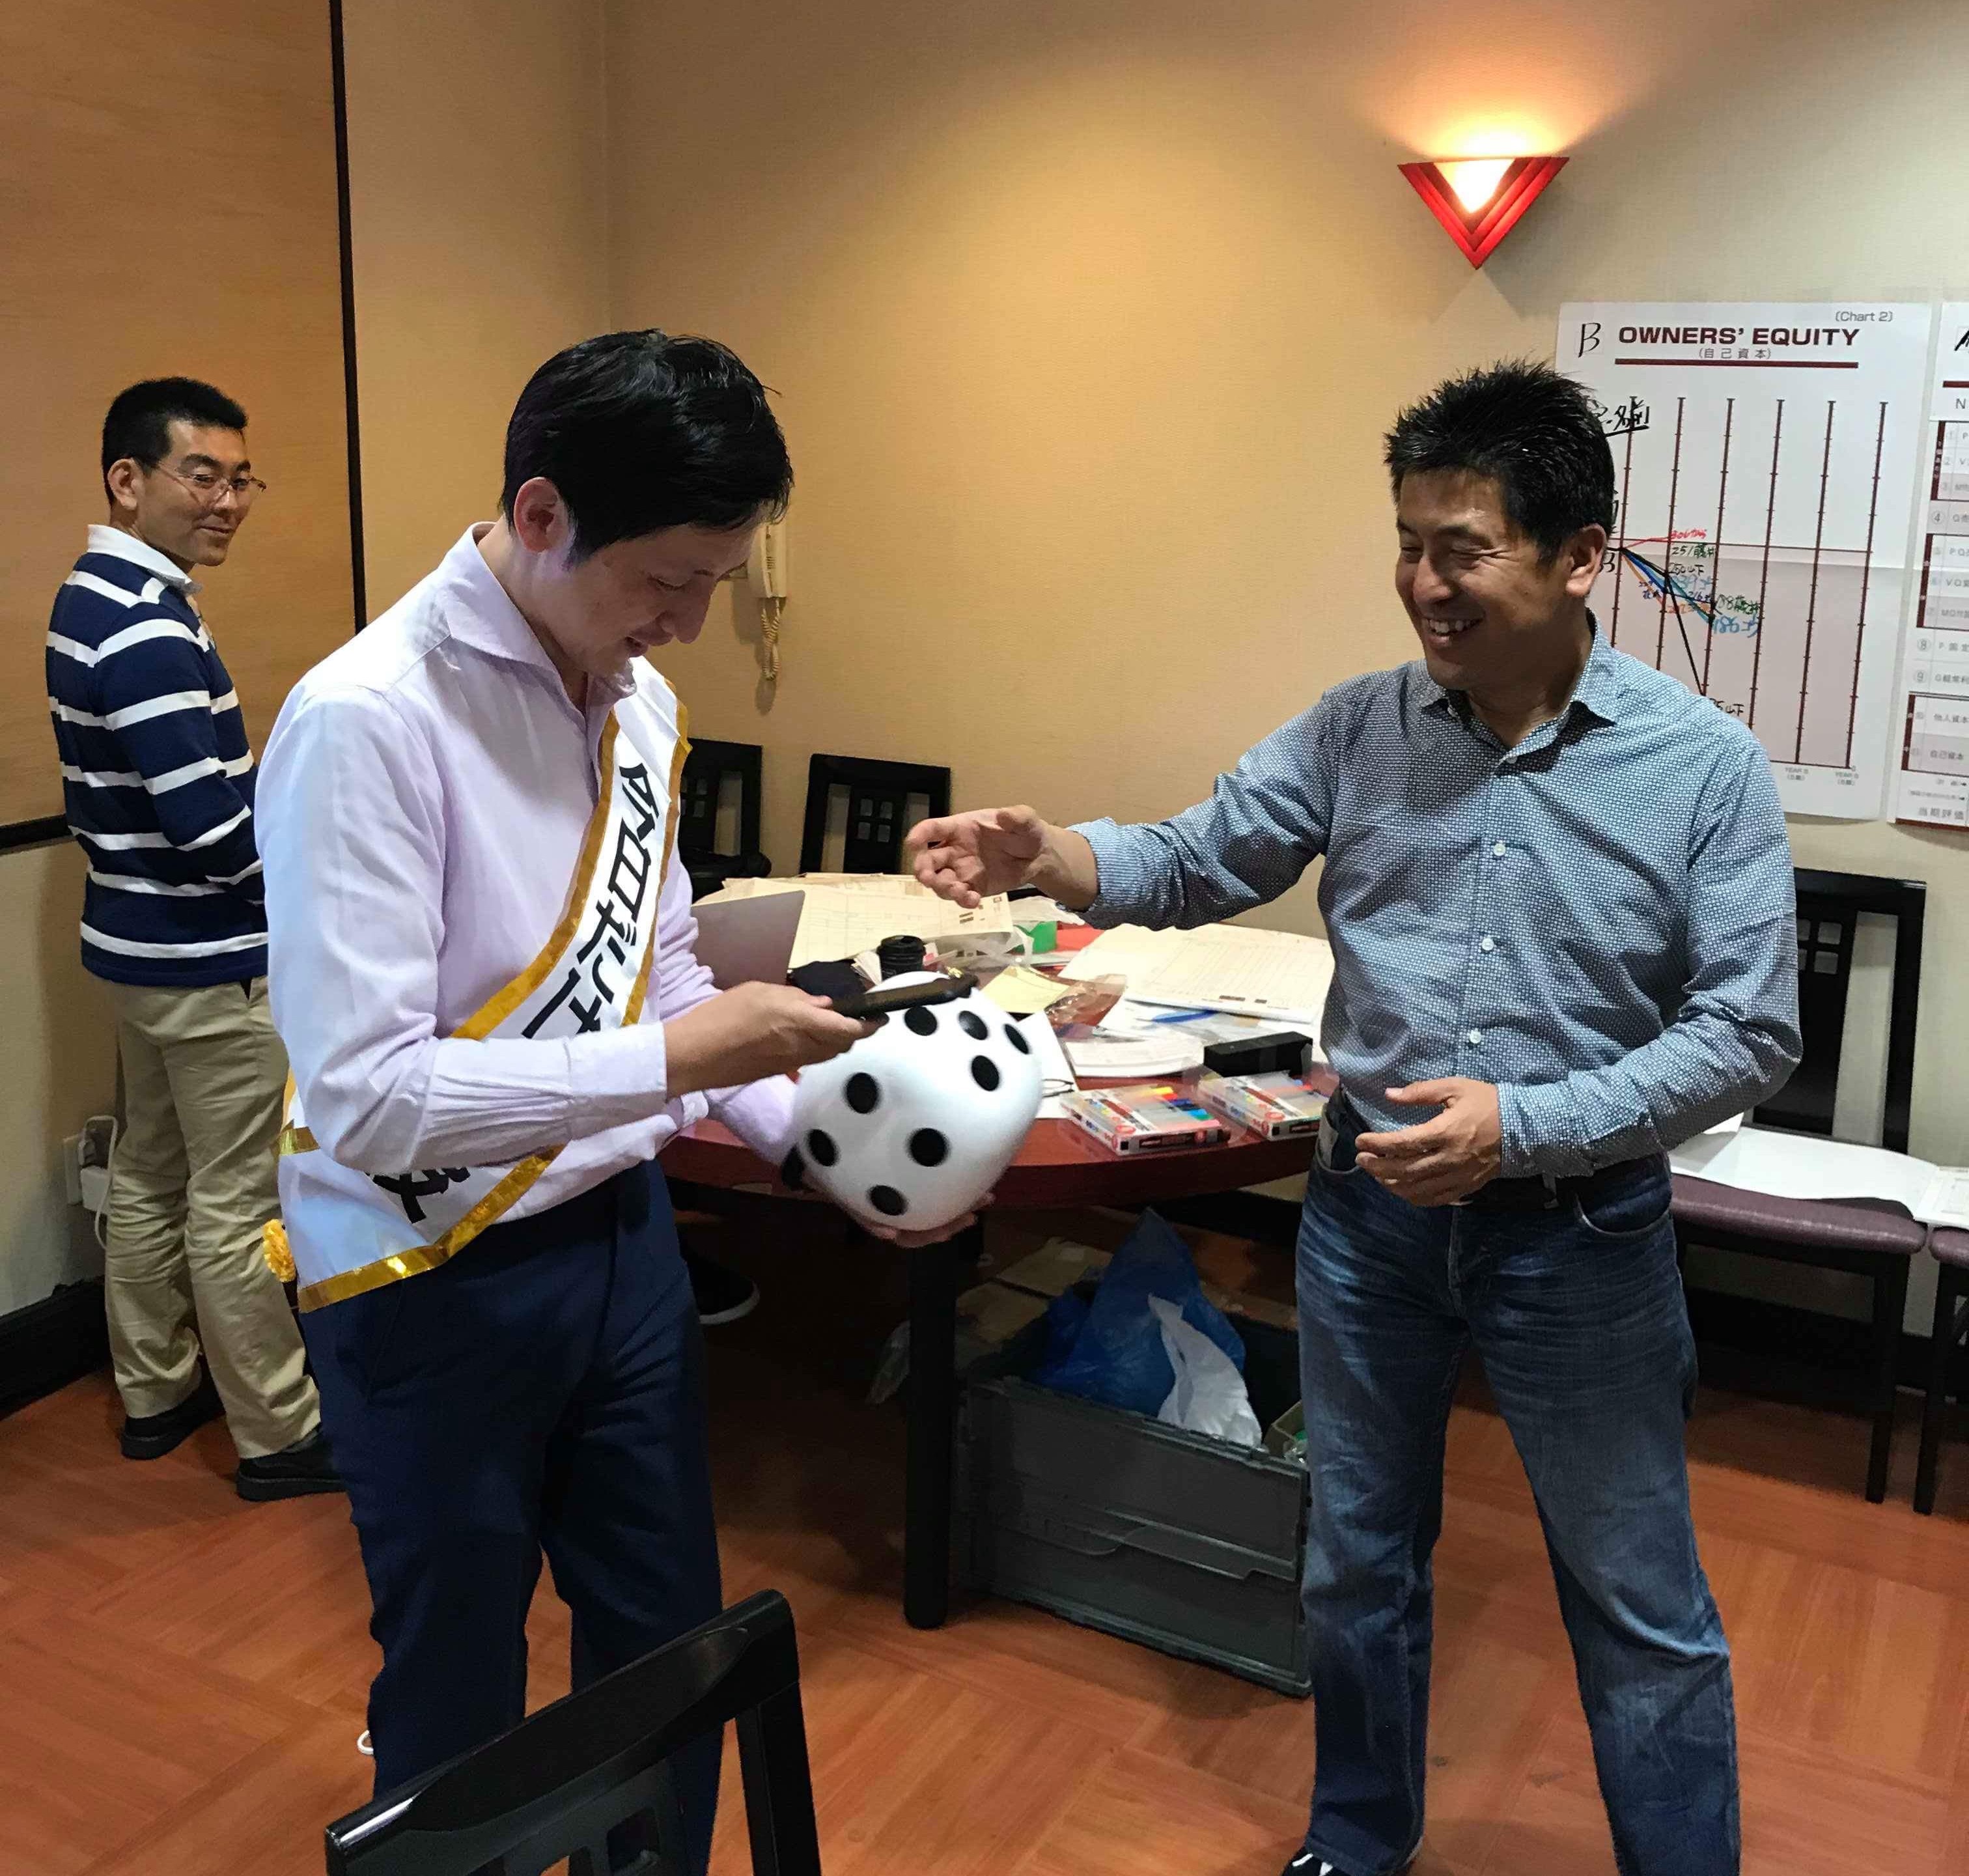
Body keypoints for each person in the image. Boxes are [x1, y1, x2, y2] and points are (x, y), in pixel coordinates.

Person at [905, 359, 1800, 1876]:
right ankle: (1358, 1842)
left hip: (1578, 1238)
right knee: (1357, 1563)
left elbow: (1748, 1031)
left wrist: (1526, 1124)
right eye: (1408, 544)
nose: (1425, 585)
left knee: (1638, 1601)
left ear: (1581, 555)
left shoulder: (1702, 769)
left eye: (1464, 549)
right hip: (1367, 1224)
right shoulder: (1358, 729)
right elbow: (1200, 852)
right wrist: (1050, 851)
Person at [255, 329, 971, 1864]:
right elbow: (371, 1100)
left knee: (665, 1647)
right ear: (540, 516)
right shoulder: (366, 720)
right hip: (429, 1272)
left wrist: (840, 1159)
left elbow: (672, 978)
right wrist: (679, 1064)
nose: (687, 624)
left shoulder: (636, 700)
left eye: (717, 581)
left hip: (625, 1244)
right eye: (666, 580)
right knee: (458, 1680)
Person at [44, 377, 340, 1500]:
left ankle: (155, 1392)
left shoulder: (92, 596)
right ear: (128, 480)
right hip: (209, 965)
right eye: (202, 474)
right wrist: (319, 858)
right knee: (239, 1199)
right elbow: (215, 836)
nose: (228, 501)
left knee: (151, 1172)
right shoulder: (145, 626)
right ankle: (279, 1432)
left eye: (241, 478)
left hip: (137, 956)